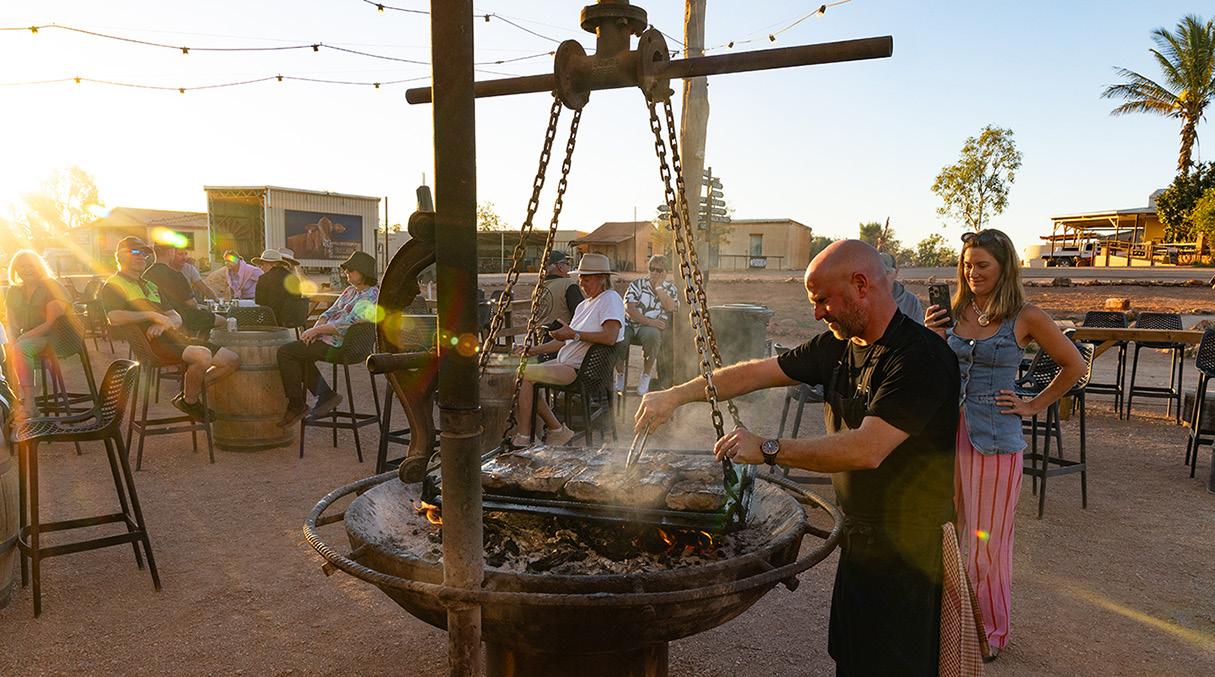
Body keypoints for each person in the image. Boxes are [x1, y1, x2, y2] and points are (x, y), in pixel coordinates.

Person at [636, 240, 959, 676]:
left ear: (861, 285)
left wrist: (769, 449)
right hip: (861, 536)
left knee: (896, 665)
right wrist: (675, 395)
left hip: (911, 548)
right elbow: (755, 373)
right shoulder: (838, 346)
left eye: (823, 300)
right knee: (853, 658)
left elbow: (867, 449)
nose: (817, 313)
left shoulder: (919, 357)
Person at [925, 228, 1083, 661]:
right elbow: (934, 371)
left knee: (987, 542)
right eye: (966, 264)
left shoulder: (1025, 316)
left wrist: (1033, 404)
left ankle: (988, 631)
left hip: (995, 442)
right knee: (946, 532)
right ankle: (948, 623)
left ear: (1004, 268)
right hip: (946, 436)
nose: (972, 272)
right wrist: (931, 336)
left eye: (982, 265)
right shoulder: (954, 311)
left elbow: (1073, 365)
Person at [99, 237, 240, 421]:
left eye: (145, 253)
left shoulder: (150, 285)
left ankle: (188, 395)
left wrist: (163, 322)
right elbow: (114, 317)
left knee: (232, 360)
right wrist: (152, 315)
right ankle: (190, 401)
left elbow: (176, 318)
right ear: (120, 256)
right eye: (135, 252)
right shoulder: (114, 284)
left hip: (175, 340)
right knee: (202, 356)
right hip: (153, 346)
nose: (141, 256)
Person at [511, 253, 624, 448]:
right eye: (580, 279)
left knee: (523, 375)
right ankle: (556, 430)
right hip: (566, 363)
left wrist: (574, 334)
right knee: (521, 373)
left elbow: (610, 336)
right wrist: (532, 350)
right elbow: (567, 341)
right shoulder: (583, 306)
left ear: (601, 278)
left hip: (582, 370)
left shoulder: (610, 299)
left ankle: (524, 437)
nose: (582, 284)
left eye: (586, 279)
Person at [275, 251, 379, 426]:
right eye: (346, 269)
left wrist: (317, 331)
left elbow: (347, 324)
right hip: (328, 339)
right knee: (298, 354)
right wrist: (316, 329)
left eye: (351, 270)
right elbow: (328, 312)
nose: (346, 272)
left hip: (344, 346)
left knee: (286, 353)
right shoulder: (350, 291)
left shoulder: (371, 296)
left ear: (364, 272)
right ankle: (324, 396)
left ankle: (299, 404)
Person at [4, 250, 77, 418]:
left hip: (57, 337)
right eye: (22, 266)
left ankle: (30, 403)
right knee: (6, 350)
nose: (26, 269)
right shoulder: (13, 291)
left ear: (39, 266)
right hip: (30, 338)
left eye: (31, 265)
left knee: (21, 347)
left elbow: (49, 324)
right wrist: (10, 342)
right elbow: (12, 324)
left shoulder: (52, 286)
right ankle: (11, 402)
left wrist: (20, 340)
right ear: (15, 269)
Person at [615, 255, 678, 396]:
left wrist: (659, 288)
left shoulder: (671, 288)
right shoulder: (637, 284)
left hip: (649, 329)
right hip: (631, 323)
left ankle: (646, 375)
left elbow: (670, 307)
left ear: (665, 272)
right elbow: (630, 308)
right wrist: (649, 321)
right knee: (619, 337)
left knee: (653, 336)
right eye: (652, 268)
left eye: (658, 270)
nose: (654, 272)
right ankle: (620, 374)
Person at [142, 242, 224, 337]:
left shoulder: (145, 275)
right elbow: (192, 304)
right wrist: (202, 311)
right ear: (170, 252)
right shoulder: (176, 275)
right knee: (223, 321)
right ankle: (203, 343)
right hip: (184, 317)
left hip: (159, 317)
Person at [251, 248, 304, 324]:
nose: (261, 267)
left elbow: (259, 302)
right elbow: (298, 298)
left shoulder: (263, 279)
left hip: (272, 319)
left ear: (273, 264)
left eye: (263, 264)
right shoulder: (294, 278)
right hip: (294, 318)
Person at [539, 250, 584, 327]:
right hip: (561, 333)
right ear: (560, 267)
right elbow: (582, 315)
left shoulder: (539, 287)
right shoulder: (568, 284)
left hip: (540, 332)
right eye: (567, 264)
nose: (569, 267)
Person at [880, 251, 924, 324]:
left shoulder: (911, 301)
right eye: (878, 272)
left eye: (887, 272)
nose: (882, 277)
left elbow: (919, 328)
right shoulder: (865, 300)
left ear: (896, 272)